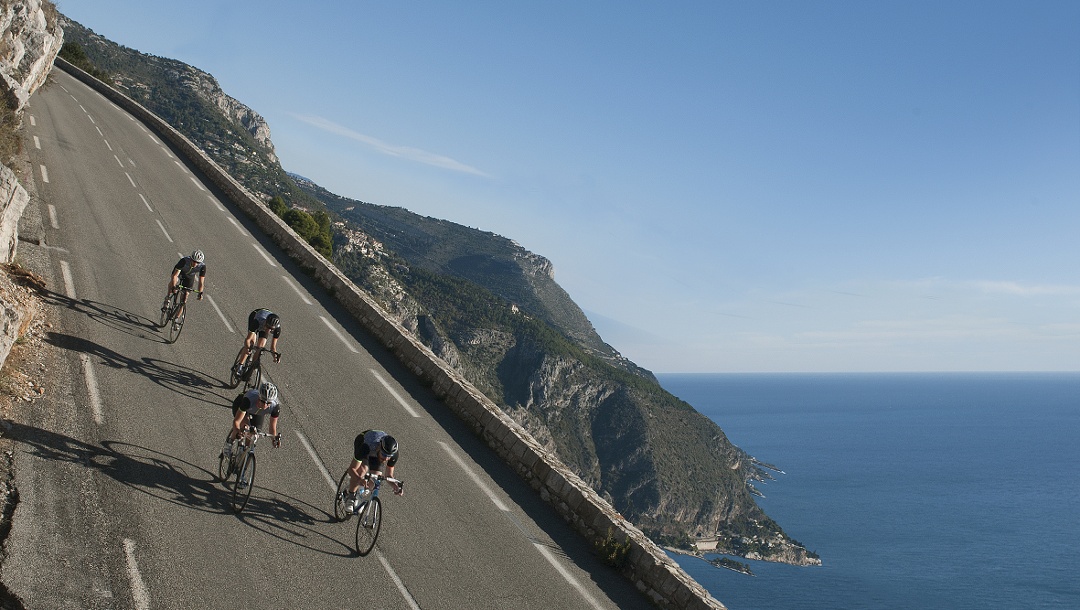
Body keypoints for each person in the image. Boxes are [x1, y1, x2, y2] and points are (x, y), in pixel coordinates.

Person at [345, 430, 403, 512]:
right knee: (361, 472)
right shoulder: (366, 446)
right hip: (363, 442)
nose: (386, 458)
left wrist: (395, 486)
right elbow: (351, 469)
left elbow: (388, 475)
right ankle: (350, 498)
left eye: (388, 456)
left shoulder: (393, 454)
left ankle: (360, 495)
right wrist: (359, 479)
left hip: (375, 452)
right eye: (384, 455)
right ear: (379, 447)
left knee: (375, 479)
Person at [222, 382, 282, 458]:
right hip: (241, 405)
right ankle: (229, 444)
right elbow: (236, 421)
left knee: (254, 433)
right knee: (245, 426)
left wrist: (274, 439)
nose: (265, 405)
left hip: (257, 413)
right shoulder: (249, 400)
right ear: (259, 397)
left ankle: (243, 453)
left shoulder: (275, 407)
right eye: (263, 401)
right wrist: (238, 432)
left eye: (268, 403)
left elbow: (272, 428)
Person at [164, 249, 206, 318]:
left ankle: (176, 319)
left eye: (197, 262)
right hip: (180, 273)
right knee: (173, 282)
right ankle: (167, 298)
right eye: (193, 261)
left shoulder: (202, 266)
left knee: (185, 297)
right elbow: (175, 276)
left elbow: (201, 282)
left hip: (189, 277)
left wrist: (200, 293)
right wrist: (174, 287)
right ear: (191, 259)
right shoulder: (184, 261)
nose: (195, 264)